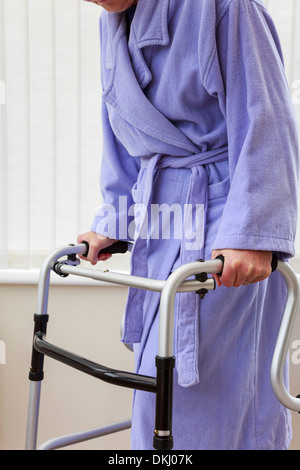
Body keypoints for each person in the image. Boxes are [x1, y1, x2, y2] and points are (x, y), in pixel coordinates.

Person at [78, 0, 299, 450]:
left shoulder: (226, 7)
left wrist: (251, 236)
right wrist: (114, 221)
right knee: (159, 393)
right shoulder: (112, 23)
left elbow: (267, 117)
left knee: (207, 401)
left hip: (225, 227)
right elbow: (124, 138)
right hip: (165, 221)